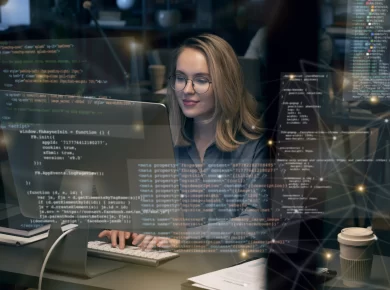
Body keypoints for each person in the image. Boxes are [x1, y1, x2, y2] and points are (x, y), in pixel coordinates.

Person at [99, 34, 270, 251]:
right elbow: (139, 206)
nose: (186, 90)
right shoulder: (160, 140)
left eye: (201, 80)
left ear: (226, 85)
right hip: (165, 265)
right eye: (180, 78)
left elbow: (255, 222)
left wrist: (182, 238)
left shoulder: (257, 147)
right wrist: (126, 225)